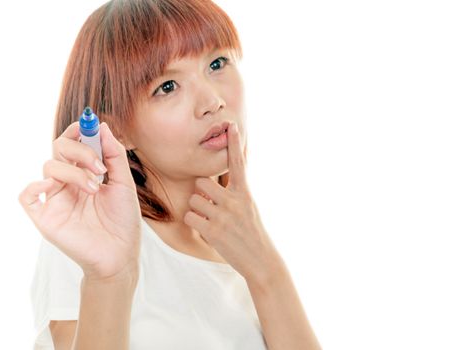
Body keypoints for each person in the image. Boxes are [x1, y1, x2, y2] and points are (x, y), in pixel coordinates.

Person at [18, 0, 322, 349]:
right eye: (167, 87)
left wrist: (268, 271)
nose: (211, 100)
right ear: (116, 130)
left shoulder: (243, 240)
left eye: (217, 63)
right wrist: (108, 279)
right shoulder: (89, 240)